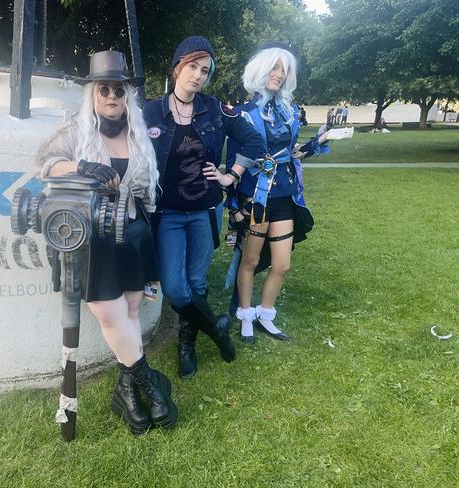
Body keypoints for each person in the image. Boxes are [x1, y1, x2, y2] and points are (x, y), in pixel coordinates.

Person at [35, 50, 177, 435]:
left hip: (132, 235)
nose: (111, 96)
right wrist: (81, 166)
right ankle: (148, 380)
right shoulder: (75, 130)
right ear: (93, 94)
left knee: (130, 312)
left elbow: (148, 191)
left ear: (126, 95)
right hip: (94, 240)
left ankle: (126, 392)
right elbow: (44, 163)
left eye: (118, 90)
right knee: (108, 313)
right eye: (104, 90)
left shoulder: (138, 133)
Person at [143, 36, 264, 379]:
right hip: (166, 212)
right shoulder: (150, 111)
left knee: (196, 282)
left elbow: (254, 140)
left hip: (204, 210)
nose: (197, 75)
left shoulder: (215, 109)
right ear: (178, 66)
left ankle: (187, 347)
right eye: (192, 67)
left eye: (205, 71)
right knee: (175, 286)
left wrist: (231, 175)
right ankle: (217, 330)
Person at [225, 41, 333, 344]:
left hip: (285, 195)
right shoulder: (242, 114)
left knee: (282, 264)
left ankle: (265, 313)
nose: (279, 74)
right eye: (274, 67)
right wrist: (233, 207)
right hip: (255, 199)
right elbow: (234, 163)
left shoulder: (289, 113)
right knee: (249, 260)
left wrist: (316, 143)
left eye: (283, 70)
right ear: (261, 69)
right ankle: (245, 315)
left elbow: (292, 154)